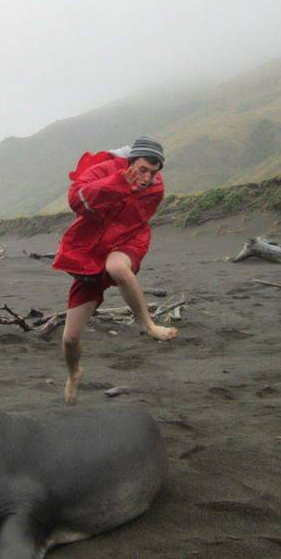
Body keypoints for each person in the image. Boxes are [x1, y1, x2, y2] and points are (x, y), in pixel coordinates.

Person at [52, 137, 178, 405]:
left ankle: (148, 324)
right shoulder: (104, 170)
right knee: (70, 338)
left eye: (154, 173)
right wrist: (120, 183)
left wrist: (132, 190)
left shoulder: (155, 187)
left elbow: (134, 220)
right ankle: (74, 374)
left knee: (117, 267)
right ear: (130, 161)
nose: (147, 178)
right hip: (90, 252)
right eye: (142, 169)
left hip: (128, 241)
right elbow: (77, 200)